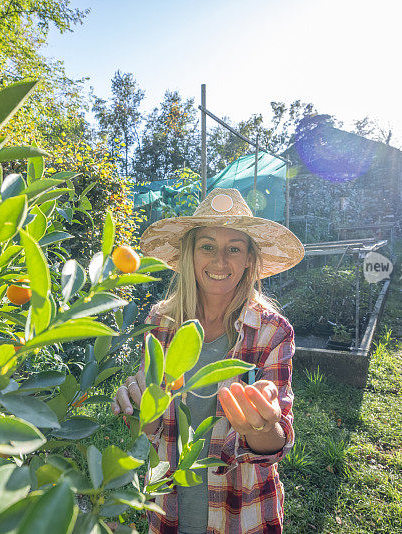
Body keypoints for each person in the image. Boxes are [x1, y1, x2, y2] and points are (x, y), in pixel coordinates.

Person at [111, 188, 304, 534]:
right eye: (207, 247)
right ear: (190, 255)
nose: (219, 261)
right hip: (168, 508)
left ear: (249, 259)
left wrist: (259, 426)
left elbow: (277, 444)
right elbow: (148, 433)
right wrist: (140, 410)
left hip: (242, 514)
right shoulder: (161, 324)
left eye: (234, 248)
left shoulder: (271, 333)